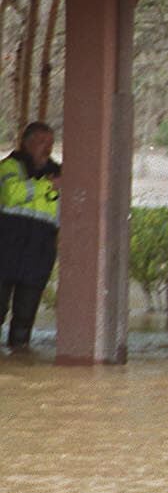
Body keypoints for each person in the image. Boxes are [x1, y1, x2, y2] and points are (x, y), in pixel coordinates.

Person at [0, 122, 62, 350]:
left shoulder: (59, 173)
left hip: (38, 256)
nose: (47, 148)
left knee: (25, 318)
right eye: (42, 142)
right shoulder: (9, 167)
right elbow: (11, 194)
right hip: (5, 252)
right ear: (26, 143)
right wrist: (47, 187)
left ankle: (19, 359)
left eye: (51, 143)